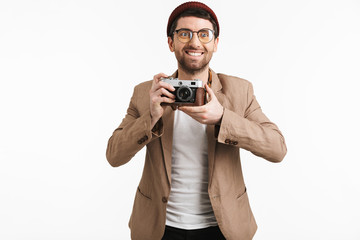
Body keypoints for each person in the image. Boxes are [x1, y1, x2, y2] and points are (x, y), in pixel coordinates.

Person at [106, 2, 287, 240]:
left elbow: (277, 149)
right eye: (184, 34)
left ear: (215, 43)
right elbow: (114, 156)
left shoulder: (239, 91)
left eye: (204, 34)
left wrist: (223, 118)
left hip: (223, 227)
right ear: (171, 43)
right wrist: (150, 118)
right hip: (160, 227)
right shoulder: (146, 93)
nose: (195, 42)